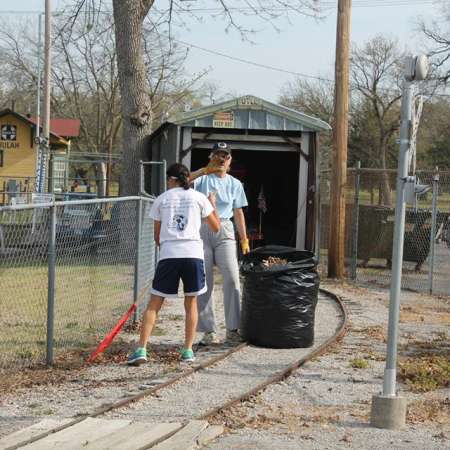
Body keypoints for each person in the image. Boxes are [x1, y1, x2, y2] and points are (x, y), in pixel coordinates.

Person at [127, 163, 220, 365]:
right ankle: (187, 350)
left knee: (154, 303)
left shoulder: (162, 199)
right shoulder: (199, 197)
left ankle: (142, 348)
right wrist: (213, 204)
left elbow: (157, 236)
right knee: (191, 303)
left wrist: (168, 245)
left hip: (169, 253)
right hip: (193, 254)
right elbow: (215, 227)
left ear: (171, 179)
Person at [190, 142, 250, 345]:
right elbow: (180, 182)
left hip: (225, 229)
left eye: (225, 156)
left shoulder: (235, 184)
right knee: (204, 280)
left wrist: (244, 239)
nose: (221, 160)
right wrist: (202, 170)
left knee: (233, 278)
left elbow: (238, 212)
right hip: (203, 227)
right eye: (218, 155)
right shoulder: (203, 179)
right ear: (211, 157)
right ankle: (209, 331)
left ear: (230, 160)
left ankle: (233, 328)